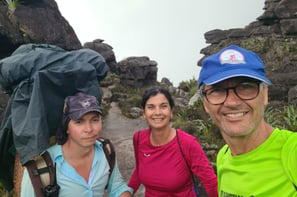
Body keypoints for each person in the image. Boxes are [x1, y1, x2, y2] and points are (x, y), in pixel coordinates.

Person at [198, 45, 297, 196]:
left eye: (246, 87)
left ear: (265, 95)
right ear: (205, 103)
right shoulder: (223, 156)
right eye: (217, 90)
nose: (232, 102)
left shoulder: (291, 152)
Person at [21, 92, 132, 197]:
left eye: (94, 120)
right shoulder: (41, 168)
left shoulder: (106, 151)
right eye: (79, 122)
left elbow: (117, 188)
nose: (89, 129)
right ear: (67, 128)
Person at [128, 86, 218, 197]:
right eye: (151, 107)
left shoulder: (188, 143)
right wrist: (127, 192)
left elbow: (211, 183)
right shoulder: (138, 139)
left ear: (171, 111)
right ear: (144, 113)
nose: (157, 112)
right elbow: (139, 171)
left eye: (163, 106)